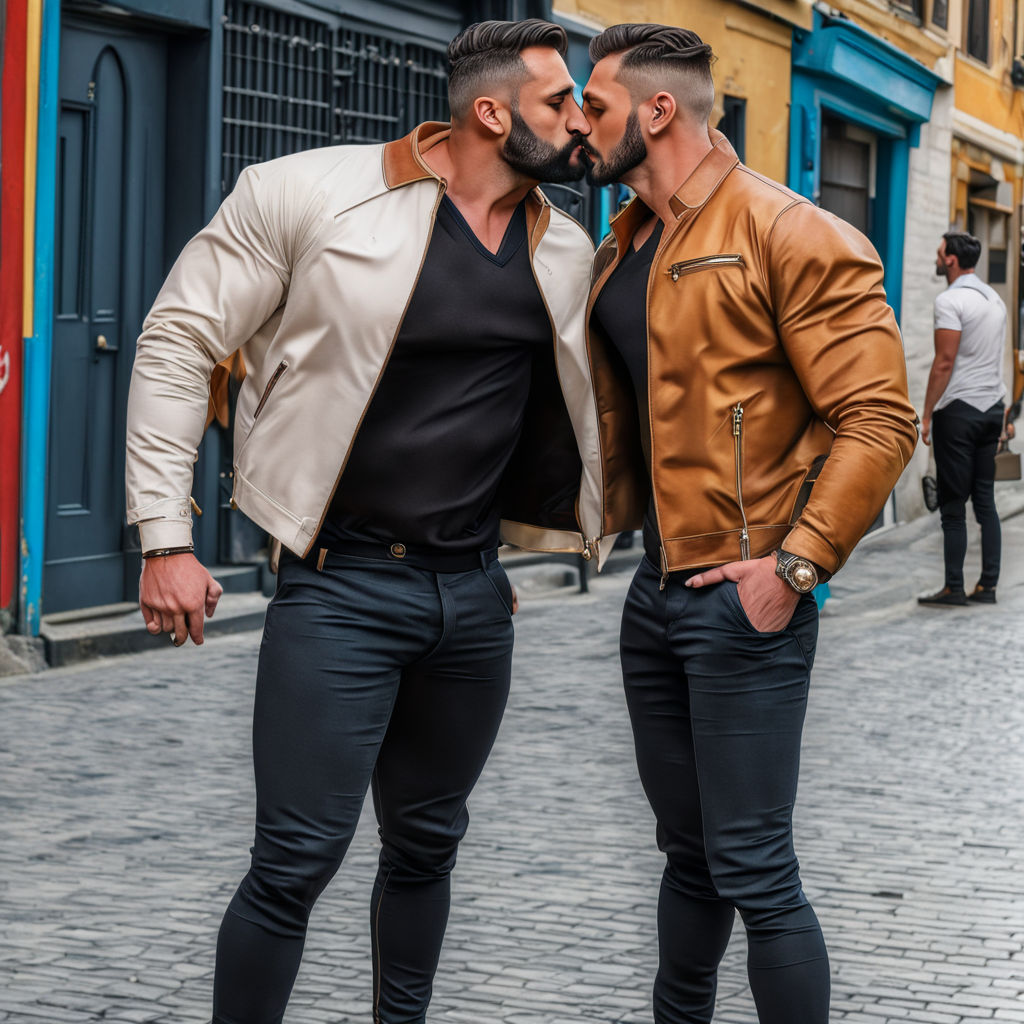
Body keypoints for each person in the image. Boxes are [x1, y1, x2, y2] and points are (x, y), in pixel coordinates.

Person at [125, 19, 605, 1023]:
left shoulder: (564, 247)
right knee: (295, 857)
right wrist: (164, 537)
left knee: (429, 843)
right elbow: (178, 342)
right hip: (341, 584)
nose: (578, 118)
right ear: (490, 111)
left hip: (472, 597)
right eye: (560, 101)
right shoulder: (309, 193)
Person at [576, 23, 918, 1024]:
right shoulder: (626, 241)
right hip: (654, 592)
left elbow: (881, 418)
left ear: (656, 111)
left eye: (592, 107)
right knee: (687, 856)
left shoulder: (792, 230)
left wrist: (794, 568)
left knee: (754, 867)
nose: (579, 128)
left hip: (744, 600)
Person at [919, 230, 1011, 606]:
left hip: (958, 412)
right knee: (985, 501)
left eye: (940, 253)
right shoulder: (995, 299)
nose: (937, 259)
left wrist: (926, 414)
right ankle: (987, 586)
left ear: (952, 260)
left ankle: (953, 588)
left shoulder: (950, 301)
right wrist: (1004, 412)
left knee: (953, 505)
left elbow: (944, 362)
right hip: (992, 407)